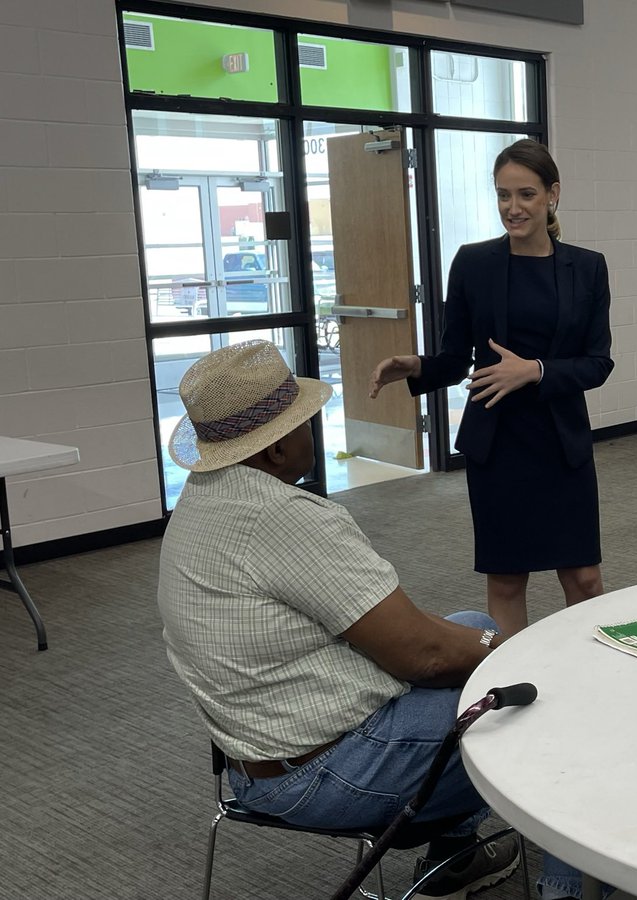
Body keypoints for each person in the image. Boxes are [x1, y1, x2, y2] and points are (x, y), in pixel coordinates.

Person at [156, 340, 520, 898]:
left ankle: (453, 859)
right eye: (304, 421)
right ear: (276, 451)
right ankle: (576, 881)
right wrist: (522, 653)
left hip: (252, 759)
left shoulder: (199, 501)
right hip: (324, 773)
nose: (315, 430)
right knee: (529, 703)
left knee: (472, 623)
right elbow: (424, 656)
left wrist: (484, 639)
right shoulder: (284, 518)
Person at [369, 139, 614, 637]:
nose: (513, 207)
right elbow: (455, 357)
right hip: (498, 444)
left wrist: (535, 371)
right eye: (503, 195)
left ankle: (594, 672)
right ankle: (511, 684)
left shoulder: (586, 267)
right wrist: (416, 366)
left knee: (584, 576)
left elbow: (597, 363)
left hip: (561, 442)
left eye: (526, 194)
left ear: (553, 195)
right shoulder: (473, 263)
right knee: (506, 580)